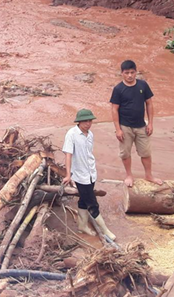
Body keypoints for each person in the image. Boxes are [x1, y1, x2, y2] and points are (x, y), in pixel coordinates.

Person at [62, 109, 116, 240]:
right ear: (79, 121)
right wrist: (68, 175)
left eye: (90, 121)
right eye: (85, 121)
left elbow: (89, 153)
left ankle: (82, 225)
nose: (88, 123)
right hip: (80, 175)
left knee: (83, 200)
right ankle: (105, 231)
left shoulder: (90, 134)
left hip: (91, 173)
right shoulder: (72, 134)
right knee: (92, 203)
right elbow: (68, 154)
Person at [110, 60, 161, 186]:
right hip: (125, 126)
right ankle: (129, 175)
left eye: (132, 72)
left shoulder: (143, 85)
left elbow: (149, 104)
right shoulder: (118, 89)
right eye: (127, 73)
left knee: (146, 152)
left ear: (136, 72)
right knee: (125, 153)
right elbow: (114, 109)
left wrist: (150, 123)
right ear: (121, 73)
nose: (130, 75)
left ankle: (148, 175)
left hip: (141, 126)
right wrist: (118, 129)